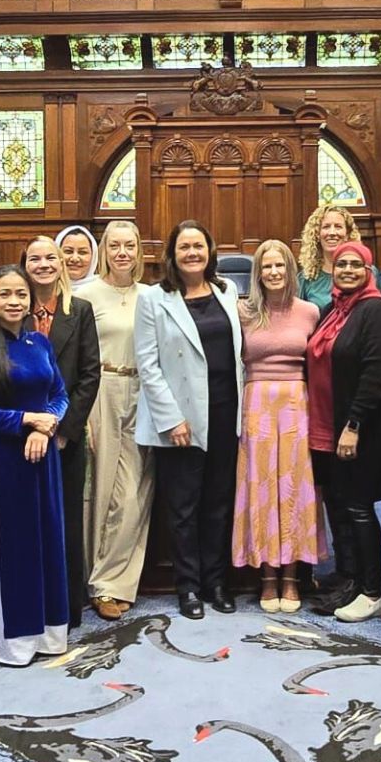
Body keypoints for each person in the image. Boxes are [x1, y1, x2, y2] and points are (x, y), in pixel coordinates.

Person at [135, 220, 244, 619]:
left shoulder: (227, 291)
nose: (193, 253)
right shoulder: (153, 299)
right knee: (183, 507)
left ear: (210, 251)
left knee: (219, 502)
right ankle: (189, 587)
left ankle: (217, 582)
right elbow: (147, 364)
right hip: (181, 419)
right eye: (185, 247)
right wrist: (171, 419)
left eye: (199, 245)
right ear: (173, 254)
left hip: (225, 411)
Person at [0, 266, 70, 666]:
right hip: (6, 460)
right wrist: (27, 421)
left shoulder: (39, 343)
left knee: (48, 539)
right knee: (14, 546)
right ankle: (16, 640)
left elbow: (59, 395)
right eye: (5, 294)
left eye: (21, 294)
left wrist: (47, 426)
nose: (14, 302)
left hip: (45, 459)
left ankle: (50, 632)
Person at [232, 239, 322, 613]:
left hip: (297, 405)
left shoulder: (310, 312)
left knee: (294, 489)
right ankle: (267, 576)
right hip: (256, 405)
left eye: (279, 266)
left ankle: (292, 576)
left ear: (290, 270)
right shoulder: (243, 312)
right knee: (262, 486)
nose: (273, 273)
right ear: (257, 273)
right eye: (266, 267)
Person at [306, 241, 381, 622]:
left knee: (358, 506)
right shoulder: (333, 309)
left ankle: (372, 589)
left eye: (356, 265)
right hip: (324, 423)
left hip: (357, 428)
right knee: (338, 506)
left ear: (369, 270)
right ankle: (348, 578)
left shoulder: (373, 310)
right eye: (341, 264)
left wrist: (353, 424)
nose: (347, 270)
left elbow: (376, 374)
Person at [73, 220, 155, 620]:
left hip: (143, 393)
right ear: (103, 250)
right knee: (99, 491)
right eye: (115, 245)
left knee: (134, 493)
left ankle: (116, 580)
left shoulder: (152, 296)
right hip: (99, 390)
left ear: (140, 251)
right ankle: (95, 581)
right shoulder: (83, 294)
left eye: (130, 246)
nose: (122, 253)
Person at [23, 236, 101, 628]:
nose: (43, 264)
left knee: (67, 521)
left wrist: (65, 429)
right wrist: (27, 424)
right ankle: (31, 606)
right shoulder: (13, 311)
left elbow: (89, 375)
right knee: (27, 524)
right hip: (19, 438)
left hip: (65, 438)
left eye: (49, 258)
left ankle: (68, 608)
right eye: (34, 258)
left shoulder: (80, 311)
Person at [296, 203, 361, 307]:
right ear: (317, 234)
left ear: (347, 234)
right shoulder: (305, 279)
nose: (332, 232)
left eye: (338, 227)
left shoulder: (363, 272)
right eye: (326, 227)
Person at [56, 225, 98, 290]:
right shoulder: (46, 289)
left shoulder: (104, 291)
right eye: (68, 251)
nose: (75, 259)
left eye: (82, 252)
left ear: (93, 256)